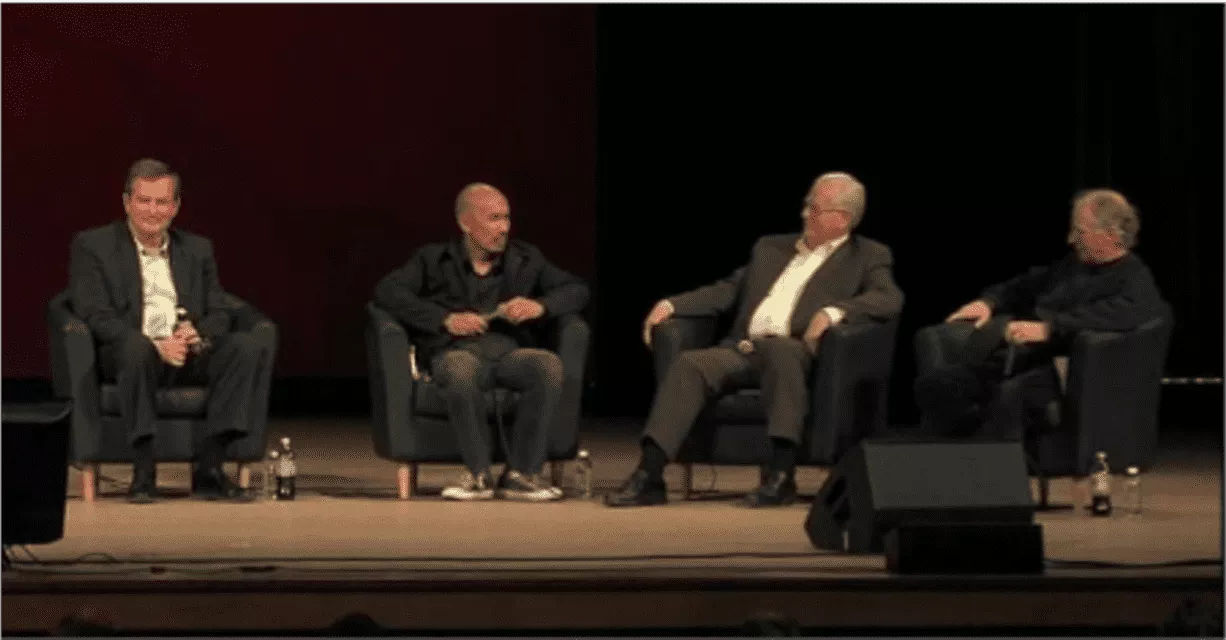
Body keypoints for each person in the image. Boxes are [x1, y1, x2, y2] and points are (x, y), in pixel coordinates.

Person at [605, 172, 904, 508]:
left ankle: (781, 474)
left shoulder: (867, 256)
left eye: (814, 208)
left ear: (841, 219)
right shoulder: (770, 247)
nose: (804, 213)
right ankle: (650, 474)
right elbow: (728, 290)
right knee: (691, 364)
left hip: (797, 352)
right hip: (744, 349)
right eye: (807, 205)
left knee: (781, 352)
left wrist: (834, 312)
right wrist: (672, 305)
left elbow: (888, 298)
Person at [374, 183, 589, 502]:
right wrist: (444, 319)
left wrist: (540, 306)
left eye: (507, 218)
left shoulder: (526, 259)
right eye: (494, 219)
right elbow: (387, 292)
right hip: (455, 350)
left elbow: (577, 290)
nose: (504, 228)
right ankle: (478, 476)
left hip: (507, 354)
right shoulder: (432, 259)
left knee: (546, 365)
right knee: (460, 368)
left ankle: (521, 475)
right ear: (466, 223)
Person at [69, 159, 266, 503]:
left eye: (161, 202)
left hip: (185, 351)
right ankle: (143, 471)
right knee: (135, 348)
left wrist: (197, 332)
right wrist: (156, 345)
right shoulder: (93, 245)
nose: (152, 211)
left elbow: (220, 309)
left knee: (244, 347)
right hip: (130, 352)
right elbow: (95, 313)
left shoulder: (197, 249)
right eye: (144, 201)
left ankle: (210, 468)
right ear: (126, 202)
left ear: (175, 207)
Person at [915, 189, 1166, 441]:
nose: (1071, 239)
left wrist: (1049, 328)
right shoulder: (1073, 265)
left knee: (955, 392)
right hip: (1013, 357)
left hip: (1051, 370)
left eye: (1080, 231)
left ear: (1110, 235)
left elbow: (1117, 315)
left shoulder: (1133, 280)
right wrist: (988, 303)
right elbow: (1025, 285)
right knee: (935, 386)